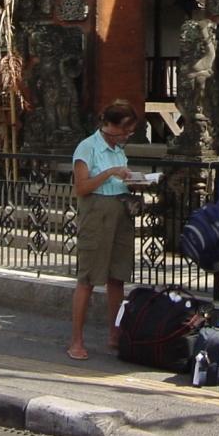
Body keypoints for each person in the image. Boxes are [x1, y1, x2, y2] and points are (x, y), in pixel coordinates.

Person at [67, 99, 138, 361]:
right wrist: (109, 173)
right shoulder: (88, 147)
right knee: (88, 278)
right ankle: (76, 340)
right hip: (96, 214)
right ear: (109, 125)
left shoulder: (119, 150)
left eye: (129, 131)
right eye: (123, 130)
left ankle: (115, 334)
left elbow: (120, 179)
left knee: (117, 277)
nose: (126, 135)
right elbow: (81, 187)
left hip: (120, 211)